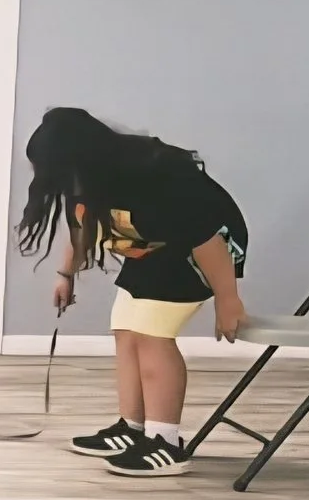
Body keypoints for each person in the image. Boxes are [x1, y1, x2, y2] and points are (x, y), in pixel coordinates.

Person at [17, 108, 248, 478]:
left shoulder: (152, 176)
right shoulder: (90, 180)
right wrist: (66, 275)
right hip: (156, 250)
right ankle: (132, 429)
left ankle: (166, 442)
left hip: (202, 251)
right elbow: (82, 227)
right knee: (126, 329)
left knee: (151, 335)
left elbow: (206, 239)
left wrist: (227, 299)